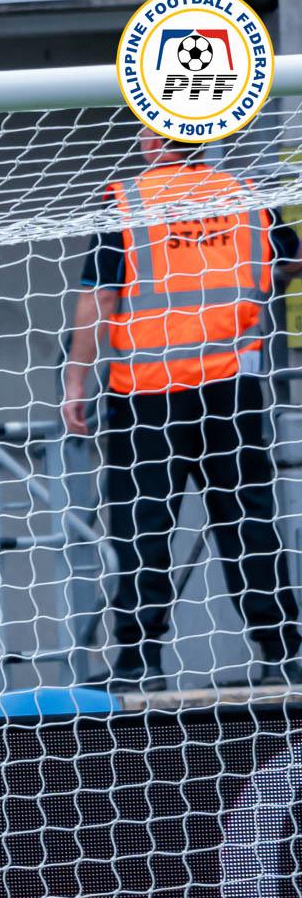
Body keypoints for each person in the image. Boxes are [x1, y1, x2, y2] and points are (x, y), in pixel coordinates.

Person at [63, 131, 302, 691]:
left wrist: (75, 382)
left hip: (147, 393)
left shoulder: (126, 200)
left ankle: (138, 663)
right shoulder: (247, 194)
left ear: (153, 138)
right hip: (231, 390)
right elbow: (292, 259)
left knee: (142, 529)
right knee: (248, 522)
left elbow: (100, 297)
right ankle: (283, 651)